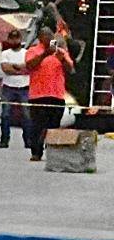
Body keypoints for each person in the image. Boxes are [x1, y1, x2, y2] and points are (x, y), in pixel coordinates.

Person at [25, 25, 74, 162]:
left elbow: (71, 70)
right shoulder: (33, 51)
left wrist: (62, 59)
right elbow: (30, 66)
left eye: (51, 36)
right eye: (46, 36)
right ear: (40, 38)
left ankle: (52, 151)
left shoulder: (60, 52)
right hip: (38, 95)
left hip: (56, 95)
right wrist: (45, 54)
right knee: (37, 125)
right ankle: (36, 152)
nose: (49, 38)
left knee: (54, 125)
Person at [0, 28, 32, 150]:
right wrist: (21, 69)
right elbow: (6, 69)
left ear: (20, 39)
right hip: (8, 87)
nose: (14, 40)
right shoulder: (5, 53)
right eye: (12, 38)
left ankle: (28, 140)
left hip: (24, 87)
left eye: (16, 38)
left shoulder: (26, 53)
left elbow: (30, 68)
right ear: (9, 40)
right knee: (5, 114)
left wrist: (16, 69)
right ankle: (4, 140)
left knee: (27, 115)